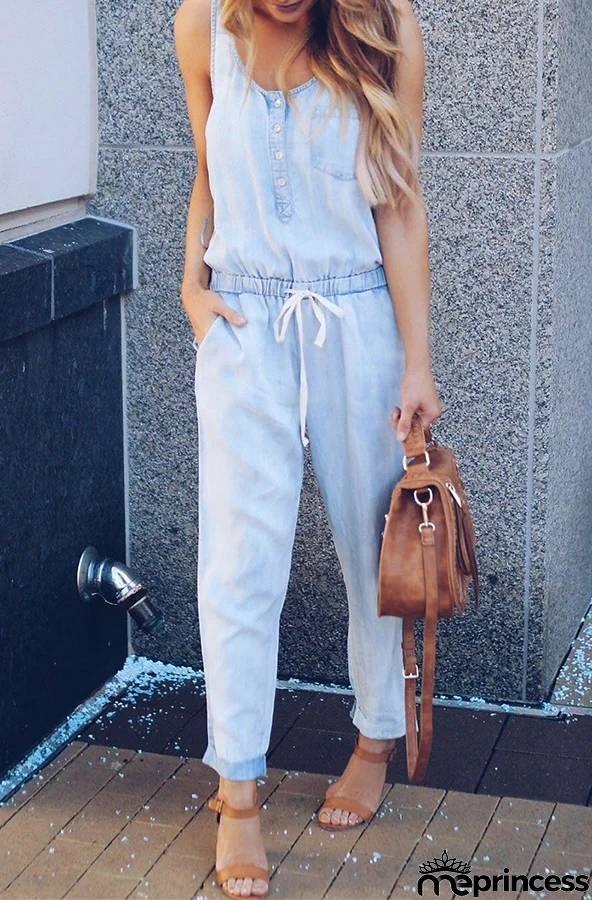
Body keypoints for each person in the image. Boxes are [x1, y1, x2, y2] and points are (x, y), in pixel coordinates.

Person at [174, 0, 441, 894]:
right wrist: (192, 288)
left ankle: (375, 740)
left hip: (355, 317)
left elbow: (399, 203)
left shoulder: (384, 24)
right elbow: (208, 172)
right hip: (245, 323)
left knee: (372, 550)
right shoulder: (200, 26)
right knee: (238, 563)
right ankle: (238, 791)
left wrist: (417, 362)